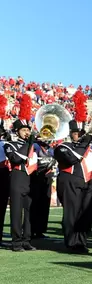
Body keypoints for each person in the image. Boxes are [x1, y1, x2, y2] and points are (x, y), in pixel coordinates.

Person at [53, 120, 92, 253]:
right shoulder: (63, 146)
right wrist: (87, 140)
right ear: (70, 133)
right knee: (72, 213)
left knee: (87, 214)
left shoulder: (90, 147)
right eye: (76, 133)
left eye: (82, 133)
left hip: (89, 182)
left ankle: (81, 241)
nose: (79, 135)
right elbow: (73, 158)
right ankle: (71, 242)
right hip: (71, 182)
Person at [3, 96, 48, 252]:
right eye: (24, 130)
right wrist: (30, 144)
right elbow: (15, 158)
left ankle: (26, 239)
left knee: (29, 212)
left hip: (30, 179)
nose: (27, 132)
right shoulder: (10, 144)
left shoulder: (34, 145)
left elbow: (40, 159)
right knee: (16, 211)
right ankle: (16, 242)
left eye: (28, 130)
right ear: (17, 131)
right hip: (17, 178)